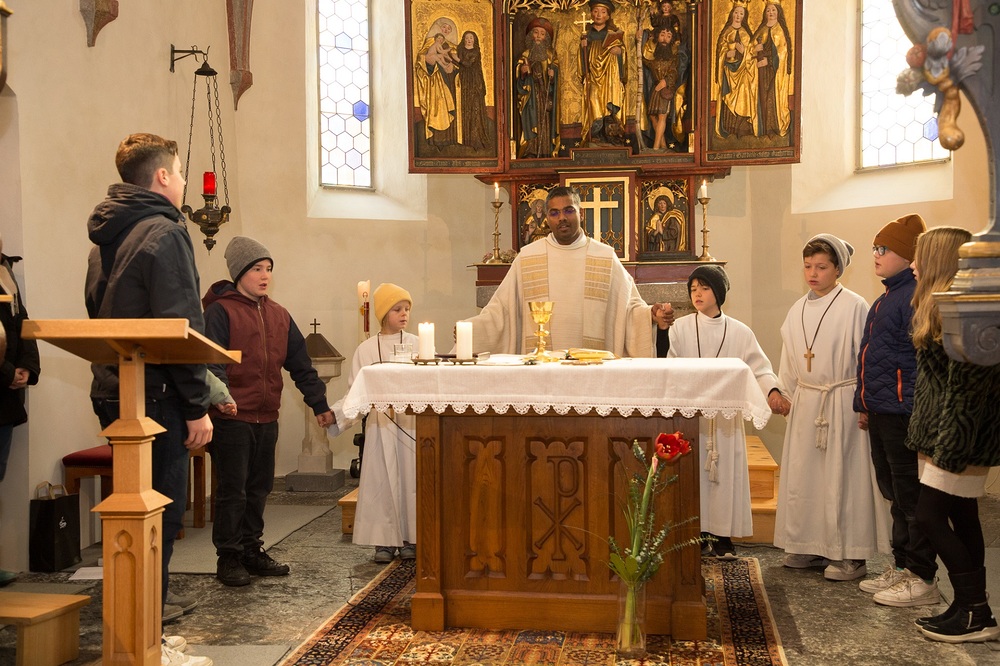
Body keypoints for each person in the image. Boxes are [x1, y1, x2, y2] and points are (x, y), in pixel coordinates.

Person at [85, 132, 214, 666]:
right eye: (180, 172)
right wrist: (197, 404)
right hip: (158, 397)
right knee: (158, 519)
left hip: (115, 391)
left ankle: (140, 634)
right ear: (162, 176)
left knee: (132, 523)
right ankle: (145, 646)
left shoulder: (107, 234)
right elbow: (181, 324)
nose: (183, 181)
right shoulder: (164, 230)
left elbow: (97, 314)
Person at [203, 236, 333, 586]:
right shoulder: (219, 311)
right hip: (232, 416)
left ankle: (251, 550)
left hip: (267, 416)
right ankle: (228, 557)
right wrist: (221, 397)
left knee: (259, 489)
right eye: (257, 269)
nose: (265, 276)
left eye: (269, 269)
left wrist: (319, 404)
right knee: (233, 491)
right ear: (239, 272)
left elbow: (300, 364)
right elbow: (210, 361)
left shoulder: (279, 315)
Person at [772, 235, 888, 582]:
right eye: (808, 266)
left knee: (844, 477)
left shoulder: (854, 305)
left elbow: (868, 358)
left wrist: (865, 401)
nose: (813, 273)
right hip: (808, 402)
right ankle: (809, 544)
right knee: (806, 477)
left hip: (842, 400)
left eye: (821, 267)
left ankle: (850, 554)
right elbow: (789, 357)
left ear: (838, 269)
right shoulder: (797, 309)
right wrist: (784, 392)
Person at [907, 226, 1000, 643]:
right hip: (943, 437)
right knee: (962, 516)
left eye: (919, 257)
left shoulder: (963, 312)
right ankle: (969, 607)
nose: (913, 264)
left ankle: (975, 609)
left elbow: (966, 394)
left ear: (938, 261)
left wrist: (947, 451)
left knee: (929, 516)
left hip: (957, 441)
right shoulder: (941, 308)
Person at [464, 186, 672, 357]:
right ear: (547, 218)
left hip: (592, 371)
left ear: (581, 213)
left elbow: (628, 308)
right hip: (541, 371)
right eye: (554, 213)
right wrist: (471, 331)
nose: (561, 217)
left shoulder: (605, 257)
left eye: (568, 210)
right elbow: (501, 310)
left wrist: (650, 316)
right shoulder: (527, 257)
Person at [666, 265, 784, 558]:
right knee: (694, 476)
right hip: (692, 418)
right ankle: (696, 533)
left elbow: (760, 368)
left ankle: (722, 537)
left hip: (725, 421)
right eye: (693, 289)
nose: (697, 294)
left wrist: (772, 391)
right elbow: (671, 366)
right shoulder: (680, 328)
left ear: (718, 293)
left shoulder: (740, 332)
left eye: (704, 288)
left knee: (724, 477)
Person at [852, 214, 939, 606]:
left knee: (910, 495)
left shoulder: (914, 296)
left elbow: (920, 362)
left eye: (883, 248)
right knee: (893, 491)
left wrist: (912, 409)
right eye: (875, 247)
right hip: (882, 409)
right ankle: (902, 566)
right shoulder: (885, 298)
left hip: (904, 412)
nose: (876, 254)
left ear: (907, 256)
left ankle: (922, 576)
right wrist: (864, 403)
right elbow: (870, 358)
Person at [330, 283, 419, 564]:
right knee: (382, 482)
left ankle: (412, 538)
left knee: (411, 481)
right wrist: (336, 416)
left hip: (411, 423)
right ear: (382, 314)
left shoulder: (418, 344)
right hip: (381, 426)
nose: (404, 314)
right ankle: (384, 541)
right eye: (397, 309)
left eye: (407, 309)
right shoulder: (366, 349)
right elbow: (356, 393)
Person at [0, 237, 40, 586]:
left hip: (6, 398)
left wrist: (26, 367)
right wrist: (6, 371)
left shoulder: (5, 271)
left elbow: (22, 322)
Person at [579, 0, 627, 146]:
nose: (599, 15)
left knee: (609, 101)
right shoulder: (587, 34)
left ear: (608, 15)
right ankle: (595, 134)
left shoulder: (612, 34)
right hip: (593, 75)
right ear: (591, 14)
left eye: (603, 12)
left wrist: (619, 52)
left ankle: (610, 136)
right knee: (593, 99)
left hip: (609, 75)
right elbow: (582, 58)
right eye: (595, 11)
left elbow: (622, 54)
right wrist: (583, 47)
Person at [516, 18, 560, 158]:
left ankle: (545, 150)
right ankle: (530, 150)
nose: (538, 36)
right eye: (536, 32)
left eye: (542, 33)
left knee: (544, 121)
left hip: (544, 94)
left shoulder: (550, 56)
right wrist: (522, 71)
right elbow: (519, 76)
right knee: (531, 120)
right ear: (531, 35)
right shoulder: (525, 55)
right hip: (531, 96)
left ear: (546, 37)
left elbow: (555, 78)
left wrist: (553, 75)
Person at [714, 4, 756, 139]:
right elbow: (720, 51)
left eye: (741, 13)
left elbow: (751, 54)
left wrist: (743, 51)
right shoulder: (726, 32)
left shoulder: (745, 33)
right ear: (732, 13)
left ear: (744, 17)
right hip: (728, 71)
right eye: (736, 12)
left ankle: (742, 127)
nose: (738, 16)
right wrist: (726, 54)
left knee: (744, 91)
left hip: (743, 71)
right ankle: (730, 126)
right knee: (728, 95)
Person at [752, 1, 792, 137]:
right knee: (762, 98)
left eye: (773, 10)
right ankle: (763, 129)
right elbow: (751, 48)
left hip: (774, 71)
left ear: (778, 12)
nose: (771, 13)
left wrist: (768, 61)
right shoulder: (762, 29)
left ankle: (773, 128)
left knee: (771, 97)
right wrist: (755, 49)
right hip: (761, 72)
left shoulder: (779, 30)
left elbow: (782, 53)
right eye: (768, 10)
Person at [414, 32, 458, 147]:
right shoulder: (431, 48)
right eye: (439, 38)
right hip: (434, 83)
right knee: (439, 59)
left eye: (442, 39)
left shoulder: (439, 47)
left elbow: (445, 57)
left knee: (440, 59)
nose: (440, 40)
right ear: (435, 39)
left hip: (444, 82)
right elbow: (426, 61)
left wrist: (451, 60)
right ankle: (434, 139)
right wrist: (449, 49)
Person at [641, 27, 683, 150]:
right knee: (652, 116)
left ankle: (655, 147)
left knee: (662, 116)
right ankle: (663, 145)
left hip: (666, 89)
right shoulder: (654, 58)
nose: (665, 39)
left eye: (668, 36)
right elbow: (644, 59)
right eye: (662, 35)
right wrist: (641, 38)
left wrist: (666, 81)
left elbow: (674, 72)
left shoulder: (673, 58)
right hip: (656, 89)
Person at [456, 31, 493, 151]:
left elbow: (467, 63)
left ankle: (476, 139)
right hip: (465, 82)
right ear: (463, 39)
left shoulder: (476, 51)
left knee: (475, 108)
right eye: (467, 38)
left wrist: (455, 58)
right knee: (466, 109)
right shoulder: (460, 49)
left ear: (474, 40)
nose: (469, 40)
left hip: (475, 82)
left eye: (471, 38)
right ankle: (467, 140)